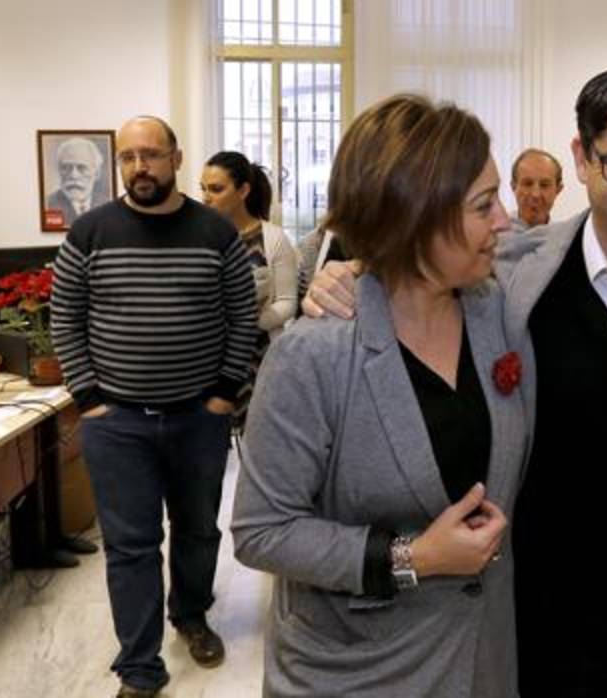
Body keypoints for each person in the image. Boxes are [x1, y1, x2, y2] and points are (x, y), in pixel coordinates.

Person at [304, 63, 607, 698]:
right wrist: (350, 279)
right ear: (583, 156)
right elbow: (408, 271)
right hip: (529, 628)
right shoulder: (503, 279)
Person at [231, 94, 525, 698]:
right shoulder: (313, 355)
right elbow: (262, 530)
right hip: (357, 672)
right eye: (484, 204)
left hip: (482, 660)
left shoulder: (497, 309)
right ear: (416, 218)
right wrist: (412, 556)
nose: (505, 221)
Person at [50, 116, 258, 698]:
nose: (140, 167)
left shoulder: (215, 232)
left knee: (196, 531)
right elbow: (64, 316)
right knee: (131, 546)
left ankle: (191, 615)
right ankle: (140, 665)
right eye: (128, 157)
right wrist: (88, 397)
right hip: (117, 424)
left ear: (177, 158)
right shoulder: (89, 232)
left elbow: (243, 315)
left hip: (198, 417)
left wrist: (223, 391)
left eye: (151, 155)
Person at [200, 151, 299, 427]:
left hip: (260, 360)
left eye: (216, 189)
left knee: (259, 442)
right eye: (204, 189)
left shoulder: (273, 238)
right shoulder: (199, 239)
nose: (206, 197)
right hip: (209, 363)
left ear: (243, 190)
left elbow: (288, 303)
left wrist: (242, 326)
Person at [46, 137, 110, 226]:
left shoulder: (107, 205)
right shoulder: (48, 205)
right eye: (66, 167)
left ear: (97, 173)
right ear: (59, 170)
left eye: (82, 168)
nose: (73, 175)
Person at [508, 148, 564, 231]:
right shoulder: (493, 236)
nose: (535, 194)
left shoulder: (566, 240)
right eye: (527, 184)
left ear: (558, 190)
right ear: (513, 187)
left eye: (544, 185)